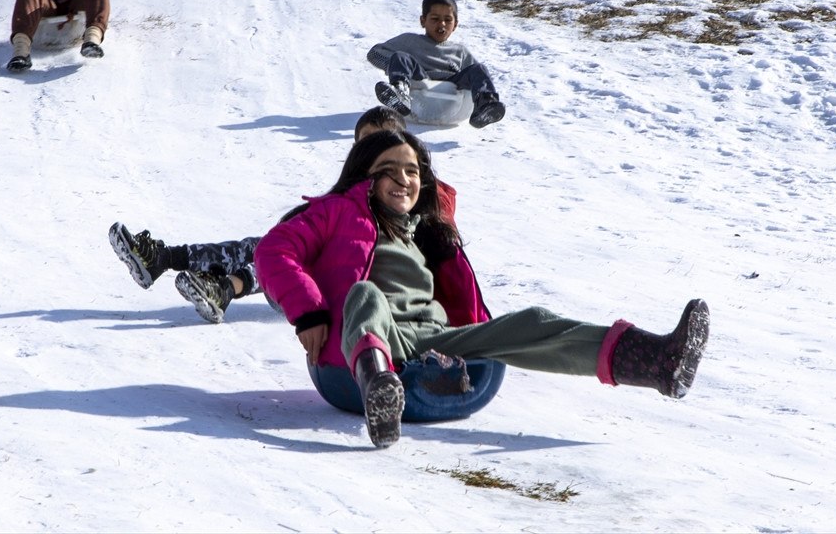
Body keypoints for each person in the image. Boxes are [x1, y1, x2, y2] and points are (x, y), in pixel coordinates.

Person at [255, 129, 710, 448]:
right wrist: (310, 313)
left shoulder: (424, 231)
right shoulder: (337, 210)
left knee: (530, 322)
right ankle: (380, 388)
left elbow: (463, 298)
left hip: (428, 339)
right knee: (365, 295)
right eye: (389, 170)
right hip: (355, 353)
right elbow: (274, 250)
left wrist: (476, 331)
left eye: (413, 170)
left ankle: (655, 363)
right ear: (364, 179)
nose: (405, 179)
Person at [108, 107, 459, 324]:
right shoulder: (351, 194)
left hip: (360, 296)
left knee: (301, 256)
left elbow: (439, 256)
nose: (376, 155)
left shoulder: (421, 193)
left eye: (384, 145)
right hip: (316, 285)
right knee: (265, 244)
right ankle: (164, 258)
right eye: (366, 145)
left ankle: (225, 288)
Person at [367, 0, 506, 129]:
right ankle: (400, 94)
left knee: (478, 69)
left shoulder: (460, 51)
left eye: (448, 20)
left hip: (453, 86)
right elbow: (374, 53)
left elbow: (480, 79)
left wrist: (480, 88)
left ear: (455, 24)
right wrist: (393, 66)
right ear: (423, 21)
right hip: (419, 79)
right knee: (400, 56)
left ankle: (485, 105)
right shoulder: (409, 40)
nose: (442, 24)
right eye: (435, 19)